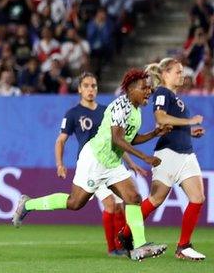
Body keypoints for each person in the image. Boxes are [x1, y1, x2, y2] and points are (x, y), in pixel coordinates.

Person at [12, 68, 171, 261]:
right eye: (145, 88)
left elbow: (131, 138)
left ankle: (139, 246)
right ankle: (28, 203)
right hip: (94, 160)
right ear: (131, 89)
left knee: (134, 198)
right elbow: (117, 139)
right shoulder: (121, 106)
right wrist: (144, 158)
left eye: (149, 89)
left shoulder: (136, 110)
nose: (149, 92)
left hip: (112, 163)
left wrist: (154, 134)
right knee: (75, 203)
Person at [117, 58, 206, 260]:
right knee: (156, 199)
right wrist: (190, 121)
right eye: (177, 71)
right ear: (165, 74)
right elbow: (161, 118)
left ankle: (183, 246)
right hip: (168, 154)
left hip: (186, 153)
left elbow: (172, 125)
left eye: (182, 71)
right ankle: (126, 233)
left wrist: (190, 131)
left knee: (198, 198)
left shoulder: (176, 98)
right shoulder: (162, 93)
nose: (182, 75)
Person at [55, 72, 146, 256]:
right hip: (91, 164)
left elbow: (117, 140)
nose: (91, 89)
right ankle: (113, 248)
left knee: (124, 203)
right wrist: (60, 163)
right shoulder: (73, 114)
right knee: (109, 203)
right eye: (87, 86)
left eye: (94, 86)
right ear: (80, 89)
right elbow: (61, 140)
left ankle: (124, 246)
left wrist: (130, 162)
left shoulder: (107, 110)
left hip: (112, 162)